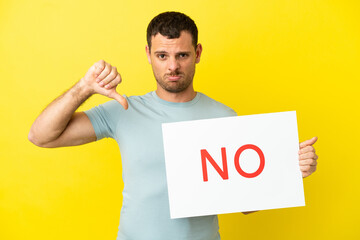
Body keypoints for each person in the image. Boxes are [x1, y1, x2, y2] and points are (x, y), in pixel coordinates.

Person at [28, 11, 318, 240]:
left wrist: (286, 172)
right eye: (162, 55)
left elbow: (244, 205)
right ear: (148, 54)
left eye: (182, 55)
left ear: (198, 53)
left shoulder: (223, 117)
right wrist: (84, 88)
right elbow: (40, 136)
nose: (172, 67)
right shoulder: (123, 110)